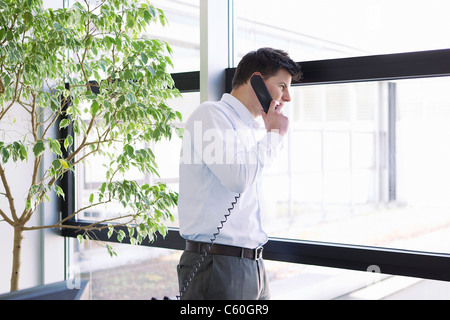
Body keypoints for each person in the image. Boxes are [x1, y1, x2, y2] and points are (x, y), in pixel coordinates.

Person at [177, 47, 302, 300]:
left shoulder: (249, 130)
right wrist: (275, 135)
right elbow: (237, 179)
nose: (287, 97)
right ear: (256, 80)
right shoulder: (210, 115)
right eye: (282, 86)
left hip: (252, 263)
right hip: (218, 264)